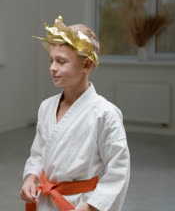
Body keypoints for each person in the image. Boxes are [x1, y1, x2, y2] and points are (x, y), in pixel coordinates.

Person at [20, 16, 130, 211]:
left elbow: (118, 171)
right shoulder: (46, 107)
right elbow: (38, 154)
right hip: (45, 201)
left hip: (80, 204)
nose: (52, 67)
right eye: (51, 60)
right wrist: (31, 177)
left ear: (86, 65)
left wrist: (91, 207)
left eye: (61, 61)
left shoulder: (105, 113)